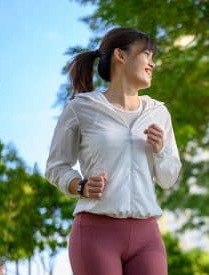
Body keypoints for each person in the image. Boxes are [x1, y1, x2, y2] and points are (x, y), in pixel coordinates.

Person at [45, 27, 182, 275]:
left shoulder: (158, 112)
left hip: (147, 234)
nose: (152, 64)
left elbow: (169, 179)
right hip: (96, 233)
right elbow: (56, 166)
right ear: (121, 55)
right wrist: (80, 185)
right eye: (147, 55)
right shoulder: (81, 108)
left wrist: (160, 150)